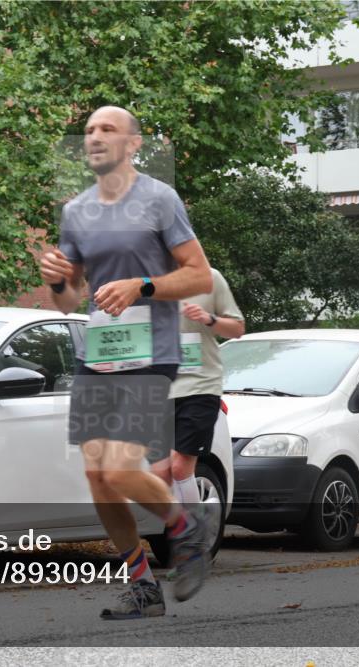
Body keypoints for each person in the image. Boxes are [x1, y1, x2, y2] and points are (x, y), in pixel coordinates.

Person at [39, 106, 213, 619]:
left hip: (151, 351)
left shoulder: (159, 199)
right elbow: (69, 301)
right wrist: (55, 278)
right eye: (89, 130)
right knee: (97, 477)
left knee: (118, 469)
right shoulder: (76, 212)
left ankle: (185, 527)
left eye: (107, 129)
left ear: (133, 144)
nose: (94, 137)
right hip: (100, 352)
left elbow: (198, 276)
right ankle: (142, 584)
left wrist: (143, 286)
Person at [152, 268, 244, 537]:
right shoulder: (143, 281)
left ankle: (193, 540)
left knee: (180, 466)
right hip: (159, 388)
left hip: (200, 385)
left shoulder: (209, 278)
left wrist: (209, 318)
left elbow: (237, 328)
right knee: (159, 474)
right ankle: (190, 525)